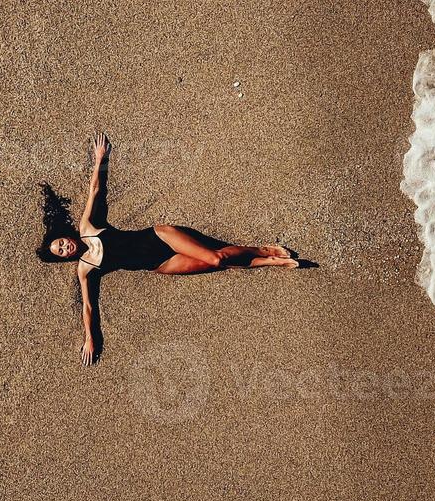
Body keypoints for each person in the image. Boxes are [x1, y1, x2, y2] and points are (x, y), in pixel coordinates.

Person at [38, 133, 301, 366]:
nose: (64, 246)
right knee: (217, 265)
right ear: (65, 257)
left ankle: (262, 250)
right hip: (160, 265)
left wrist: (100, 159)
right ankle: (270, 262)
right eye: (61, 251)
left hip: (161, 238)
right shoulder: (85, 269)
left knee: (216, 256)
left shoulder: (87, 227)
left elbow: (95, 190)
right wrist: (89, 338)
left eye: (61, 242)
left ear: (65, 236)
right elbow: (88, 306)